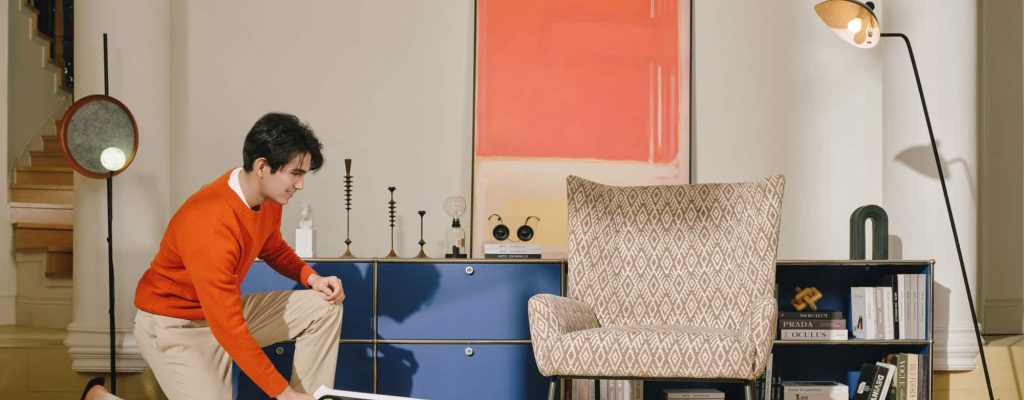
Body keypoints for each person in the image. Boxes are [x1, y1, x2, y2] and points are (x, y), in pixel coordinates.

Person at [84, 113, 344, 400]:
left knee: (324, 305)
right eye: (296, 173)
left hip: (217, 313)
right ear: (262, 166)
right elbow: (229, 328)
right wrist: (285, 394)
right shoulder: (210, 222)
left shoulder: (268, 198)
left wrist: (311, 278)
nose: (300, 184)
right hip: (175, 325)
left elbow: (272, 246)